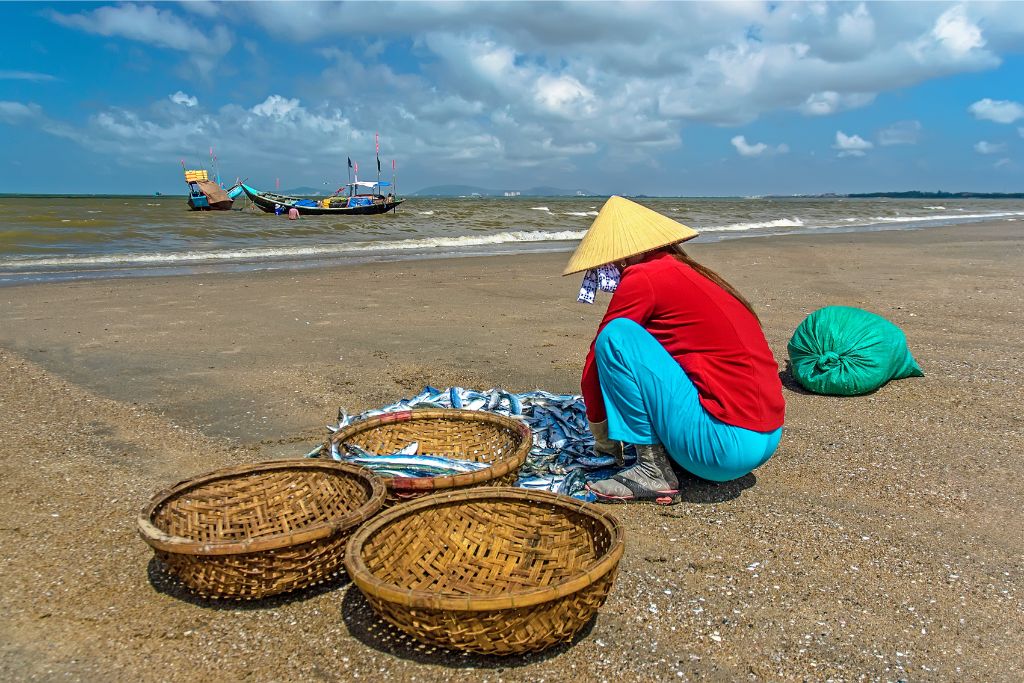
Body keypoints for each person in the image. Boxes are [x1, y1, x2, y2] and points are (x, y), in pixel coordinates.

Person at [565, 196, 785, 505]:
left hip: (723, 447)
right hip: (766, 436)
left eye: (613, 259)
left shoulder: (644, 276)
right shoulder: (689, 271)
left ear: (626, 255)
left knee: (616, 337)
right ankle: (669, 454)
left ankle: (651, 471)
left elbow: (595, 364)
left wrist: (603, 439)